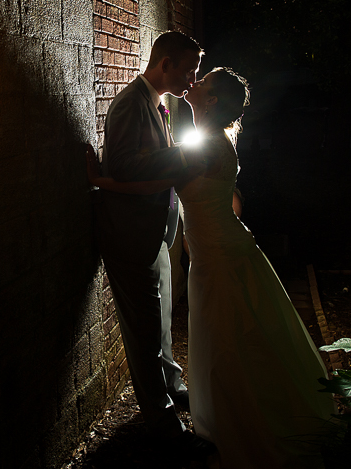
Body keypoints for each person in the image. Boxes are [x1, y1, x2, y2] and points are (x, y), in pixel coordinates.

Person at [90, 68, 336, 468]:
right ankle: (241, 407)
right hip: (220, 248)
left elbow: (153, 183)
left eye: (203, 82)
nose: (195, 83)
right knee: (238, 333)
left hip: (220, 255)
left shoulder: (206, 144)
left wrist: (101, 180)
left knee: (229, 339)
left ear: (213, 100)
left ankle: (242, 419)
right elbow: (224, 194)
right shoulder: (210, 139)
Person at [95, 31, 212, 457]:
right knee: (143, 331)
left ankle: (175, 388)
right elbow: (123, 167)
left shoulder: (159, 102)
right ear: (165, 64)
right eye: (188, 70)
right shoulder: (130, 103)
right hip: (130, 233)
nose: (191, 80)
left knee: (161, 319)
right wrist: (182, 155)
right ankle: (164, 428)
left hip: (157, 228)